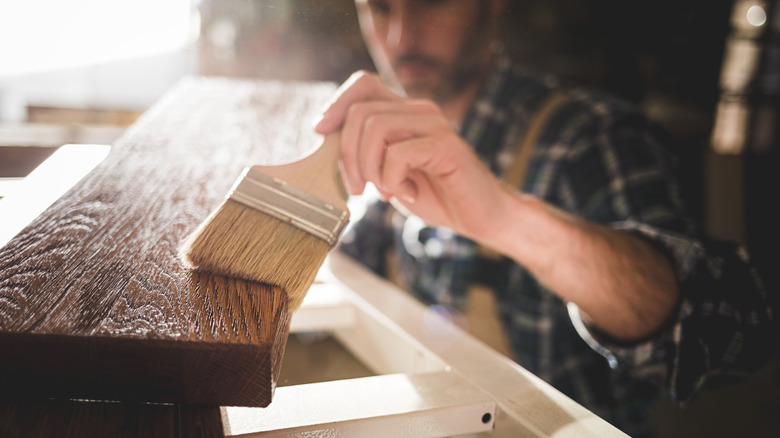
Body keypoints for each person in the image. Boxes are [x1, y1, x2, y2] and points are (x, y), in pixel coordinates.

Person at [313, 0, 777, 436]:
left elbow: (734, 332)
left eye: (431, 1)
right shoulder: (387, 144)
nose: (400, 37)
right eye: (379, 7)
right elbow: (350, 272)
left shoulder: (588, 139)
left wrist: (507, 219)